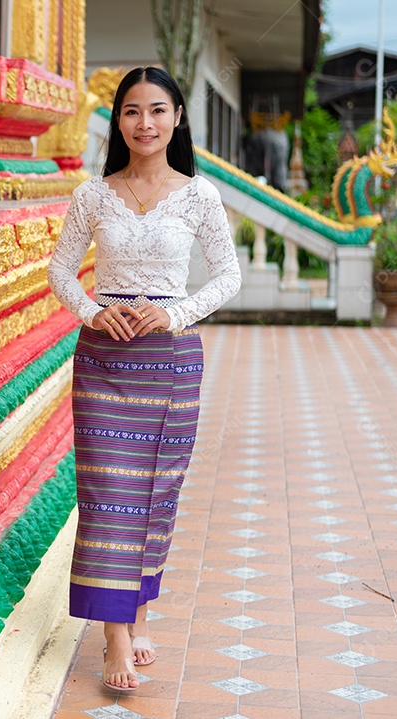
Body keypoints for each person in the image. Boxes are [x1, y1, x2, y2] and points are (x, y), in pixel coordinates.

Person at [46, 66, 241, 692]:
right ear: (118, 120)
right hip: (104, 360)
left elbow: (227, 276)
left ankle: (138, 614)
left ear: (177, 118)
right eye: (132, 111)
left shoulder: (198, 195)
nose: (145, 123)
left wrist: (173, 311)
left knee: (154, 494)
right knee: (107, 496)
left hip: (171, 361)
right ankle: (113, 636)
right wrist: (96, 311)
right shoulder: (92, 195)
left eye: (158, 111)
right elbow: (59, 272)